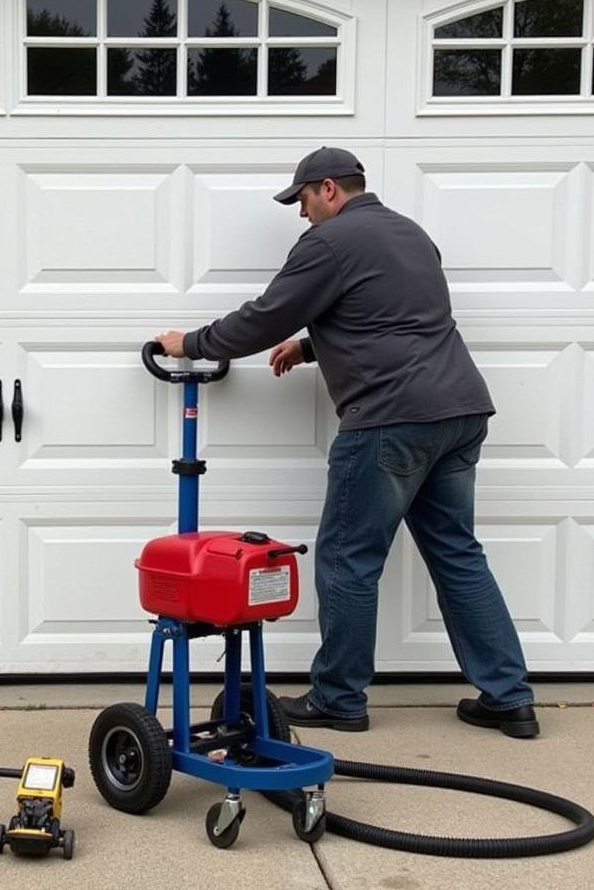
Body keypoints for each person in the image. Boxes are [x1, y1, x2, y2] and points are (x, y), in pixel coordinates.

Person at [155, 146, 538, 738]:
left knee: (347, 559)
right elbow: (397, 314)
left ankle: (338, 697)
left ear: (329, 188)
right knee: (458, 553)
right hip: (459, 410)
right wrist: (309, 347)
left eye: (303, 200)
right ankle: (509, 696)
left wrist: (194, 343)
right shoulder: (412, 234)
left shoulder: (328, 243)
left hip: (390, 418)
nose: (302, 214)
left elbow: (266, 316)